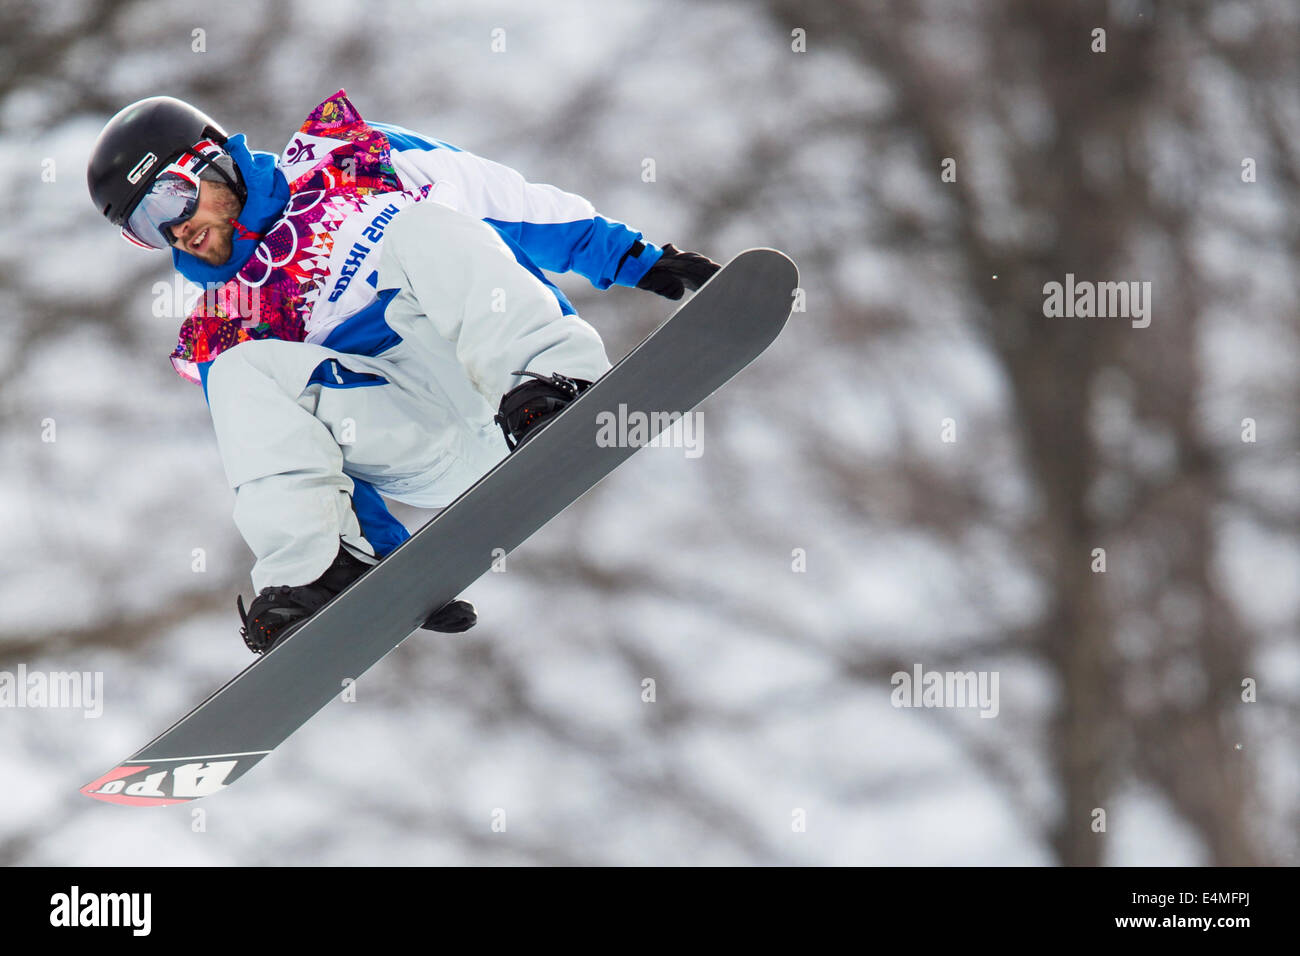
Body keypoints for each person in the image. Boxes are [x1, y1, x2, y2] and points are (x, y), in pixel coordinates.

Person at [86, 89, 719, 654]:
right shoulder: (226, 321)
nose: (174, 229)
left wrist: (640, 260)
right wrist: (395, 575)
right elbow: (294, 456)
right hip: (422, 437)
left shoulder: (350, 161)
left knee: (419, 227)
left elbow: (516, 206)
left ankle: (558, 385)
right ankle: (322, 567)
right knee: (239, 373)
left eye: (169, 198)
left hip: (499, 370)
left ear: (211, 158)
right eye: (145, 227)